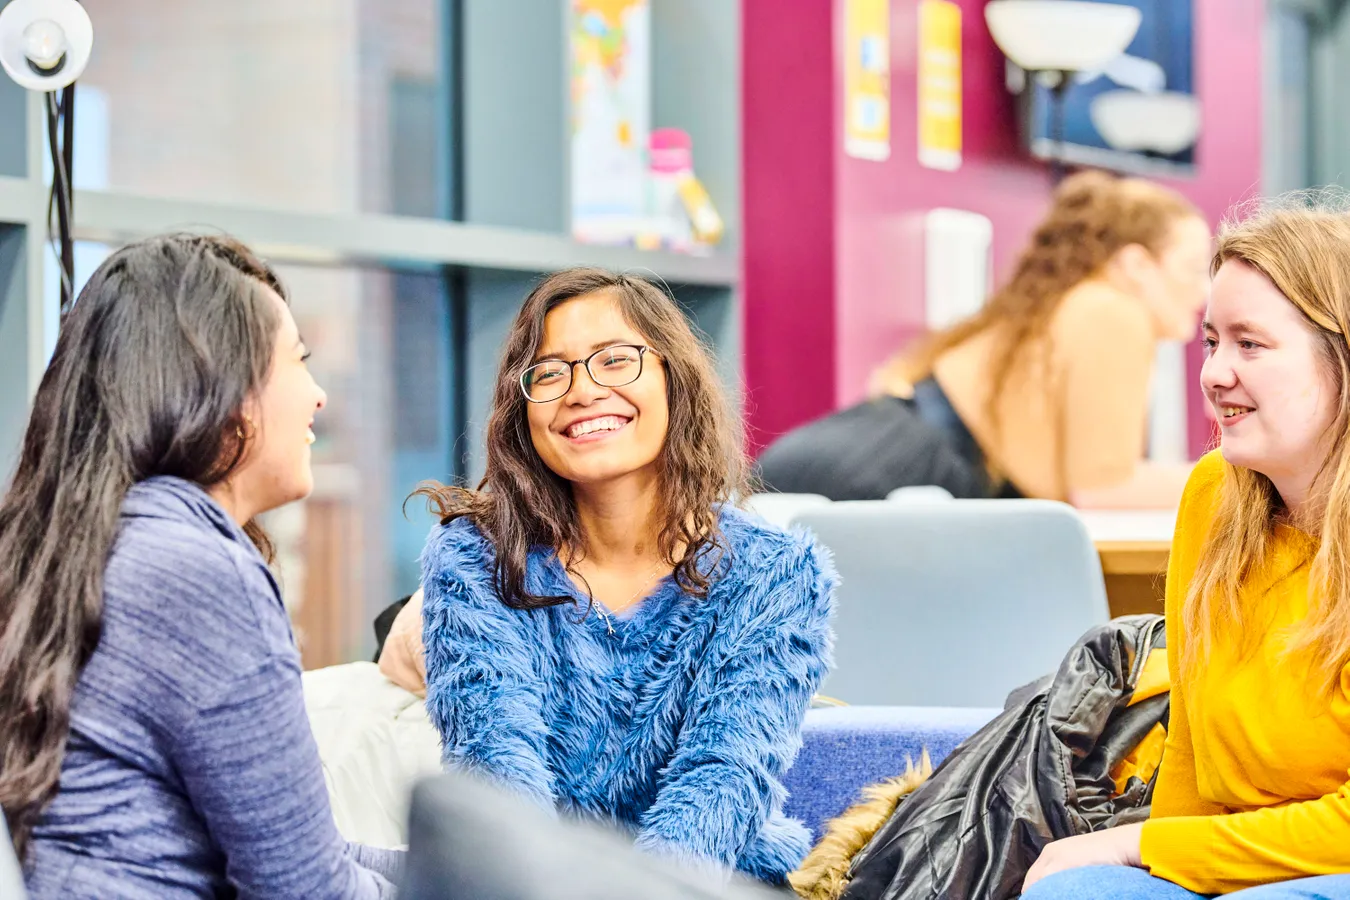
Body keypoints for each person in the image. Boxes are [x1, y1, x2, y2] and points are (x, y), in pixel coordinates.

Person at [378, 268, 836, 884]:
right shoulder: (476, 556)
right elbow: (498, 774)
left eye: (615, 360)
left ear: (674, 377)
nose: (582, 390)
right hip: (532, 886)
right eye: (550, 372)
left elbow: (721, 783)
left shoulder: (776, 572)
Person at [0, 235, 400, 898]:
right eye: (299, 362)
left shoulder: (97, 539)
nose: (319, 396)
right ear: (228, 389)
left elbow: (305, 850)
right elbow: (306, 892)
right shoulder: (195, 573)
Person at [1021, 195, 1350, 898]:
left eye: (1250, 343)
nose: (1214, 373)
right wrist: (1152, 865)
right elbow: (1191, 755)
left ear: (1341, 356)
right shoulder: (1215, 495)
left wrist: (1144, 842)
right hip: (1234, 850)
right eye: (1211, 342)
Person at [755, 170, 1212, 507]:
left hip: (849, 463)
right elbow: (1103, 490)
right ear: (1135, 265)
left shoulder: (1072, 306)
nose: (1206, 291)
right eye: (1193, 270)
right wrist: (1244, 480)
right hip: (872, 478)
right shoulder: (1113, 312)